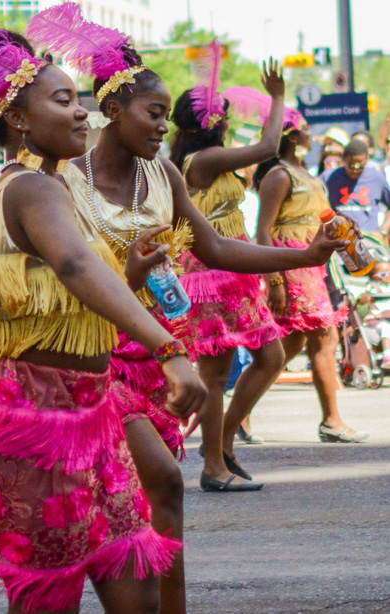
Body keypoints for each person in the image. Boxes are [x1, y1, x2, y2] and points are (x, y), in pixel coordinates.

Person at [26, 5, 345, 611]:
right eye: (153, 114)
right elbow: (59, 281)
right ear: (112, 110)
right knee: (161, 485)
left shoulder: (165, 174)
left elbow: (217, 246)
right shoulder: (61, 181)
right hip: (91, 359)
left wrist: (304, 253)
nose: (162, 127)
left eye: (168, 117)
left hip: (158, 355)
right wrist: (130, 274)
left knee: (154, 501)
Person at [0, 20, 207, 613]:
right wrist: (170, 349)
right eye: (64, 100)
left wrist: (131, 275)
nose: (83, 113)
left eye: (81, 100)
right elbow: (79, 267)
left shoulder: (56, 188)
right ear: (20, 120)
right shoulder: (30, 187)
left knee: (134, 568)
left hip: (90, 402)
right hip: (31, 410)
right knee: (49, 597)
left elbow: (73, 288)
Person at [168, 57, 292, 499]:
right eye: (223, 116)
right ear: (212, 124)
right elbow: (268, 146)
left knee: (271, 356)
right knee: (215, 375)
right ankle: (215, 464)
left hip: (233, 267)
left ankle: (223, 443)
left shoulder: (202, 157)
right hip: (211, 272)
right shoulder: (204, 159)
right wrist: (277, 97)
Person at [255, 114, 370, 444]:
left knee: (289, 346)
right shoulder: (279, 175)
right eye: (305, 128)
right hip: (292, 264)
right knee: (324, 337)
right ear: (292, 136)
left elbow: (319, 216)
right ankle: (332, 421)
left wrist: (343, 221)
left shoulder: (310, 176)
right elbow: (263, 230)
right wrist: (274, 280)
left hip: (315, 265)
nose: (311, 133)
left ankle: (242, 416)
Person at [321, 138, 390, 242]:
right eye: (350, 165)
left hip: (369, 239)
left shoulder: (377, 178)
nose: (355, 169)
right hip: (339, 241)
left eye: (360, 165)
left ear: (367, 159)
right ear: (343, 159)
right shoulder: (328, 177)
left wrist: (383, 231)